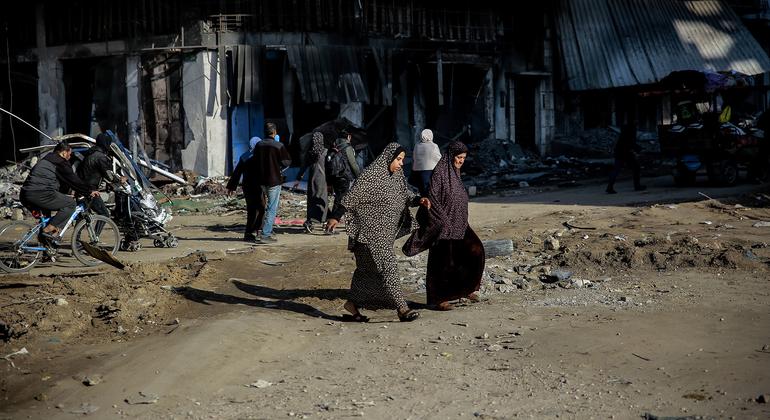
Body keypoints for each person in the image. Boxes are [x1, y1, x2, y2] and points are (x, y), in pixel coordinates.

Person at [326, 142, 431, 322]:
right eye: (398, 159)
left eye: (402, 160)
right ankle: (402, 308)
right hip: (368, 234)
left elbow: (404, 195)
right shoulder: (370, 176)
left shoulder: (396, 177)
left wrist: (418, 200)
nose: (400, 164)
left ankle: (352, 304)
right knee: (389, 268)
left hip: (384, 234)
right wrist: (335, 217)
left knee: (366, 273)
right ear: (388, 157)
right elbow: (350, 197)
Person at [403, 141, 485, 310]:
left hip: (460, 223)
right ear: (450, 156)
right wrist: (443, 221)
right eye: (459, 157)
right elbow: (432, 197)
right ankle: (439, 299)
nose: (461, 161)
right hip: (443, 224)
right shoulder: (440, 173)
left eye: (463, 158)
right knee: (442, 263)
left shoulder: (455, 172)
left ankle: (467, 289)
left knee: (475, 251)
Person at [20, 141, 100, 241]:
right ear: (64, 153)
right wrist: (89, 191)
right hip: (40, 193)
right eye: (69, 154)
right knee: (70, 204)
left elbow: (60, 182)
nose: (70, 157)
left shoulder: (47, 159)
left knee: (47, 218)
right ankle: (50, 229)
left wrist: (66, 193)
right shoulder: (60, 162)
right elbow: (73, 179)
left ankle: (48, 251)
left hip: (26, 194)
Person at [251, 122, 291, 242]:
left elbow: (255, 161)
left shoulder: (258, 145)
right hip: (274, 180)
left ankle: (265, 230)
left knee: (267, 206)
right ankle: (265, 234)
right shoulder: (278, 145)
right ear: (274, 132)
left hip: (261, 180)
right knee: (272, 208)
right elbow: (287, 162)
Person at [76, 133, 125, 219]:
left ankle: (78, 232)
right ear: (106, 143)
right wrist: (120, 179)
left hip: (82, 188)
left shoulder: (89, 153)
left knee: (84, 215)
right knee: (105, 215)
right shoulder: (101, 157)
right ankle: (96, 233)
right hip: (90, 190)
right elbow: (109, 176)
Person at [227, 136, 265, 242]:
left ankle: (250, 233)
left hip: (247, 186)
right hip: (257, 186)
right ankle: (258, 231)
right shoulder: (260, 156)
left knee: (252, 209)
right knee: (261, 208)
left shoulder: (245, 156)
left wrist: (231, 187)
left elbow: (237, 173)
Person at [326, 128, 361, 230]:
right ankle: (331, 222)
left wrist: (328, 181)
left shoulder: (333, 147)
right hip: (344, 177)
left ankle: (335, 220)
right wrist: (359, 176)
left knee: (339, 198)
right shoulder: (347, 147)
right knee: (341, 199)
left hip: (334, 177)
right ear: (348, 137)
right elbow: (353, 164)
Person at [293, 132, 328, 233]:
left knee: (311, 200)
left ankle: (310, 222)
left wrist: (298, 179)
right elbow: (329, 168)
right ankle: (323, 221)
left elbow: (303, 167)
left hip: (312, 180)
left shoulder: (310, 153)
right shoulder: (325, 152)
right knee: (322, 200)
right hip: (322, 180)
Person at [606, 122, 645, 194]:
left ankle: (609, 187)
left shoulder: (624, 134)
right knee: (636, 168)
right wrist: (639, 149)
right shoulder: (630, 134)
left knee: (616, 170)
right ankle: (637, 186)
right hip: (625, 154)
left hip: (620, 154)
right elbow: (631, 144)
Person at [409, 129, 441, 195]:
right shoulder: (434, 146)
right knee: (430, 189)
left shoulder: (417, 145)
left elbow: (414, 157)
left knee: (422, 189)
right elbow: (438, 158)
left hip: (418, 170)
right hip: (431, 170)